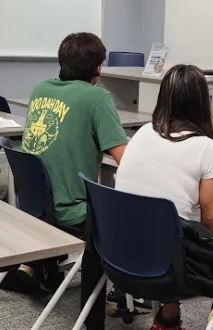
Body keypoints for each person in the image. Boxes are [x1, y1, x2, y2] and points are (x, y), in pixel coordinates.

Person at [80, 64, 213, 330]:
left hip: (116, 259)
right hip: (165, 273)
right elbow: (212, 226)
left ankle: (167, 319)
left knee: (169, 231)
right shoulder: (207, 149)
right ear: (202, 102)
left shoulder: (141, 133)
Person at [16, 32, 129, 292]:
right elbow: (124, 158)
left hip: (36, 203)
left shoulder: (40, 89)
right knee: (137, 216)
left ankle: (39, 262)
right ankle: (122, 295)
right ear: (98, 68)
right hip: (72, 211)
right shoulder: (97, 98)